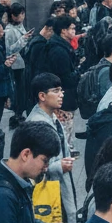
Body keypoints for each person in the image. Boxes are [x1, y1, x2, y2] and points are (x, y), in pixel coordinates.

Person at [26, 72, 78, 223]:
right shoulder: (36, 123)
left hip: (59, 185)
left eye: (61, 90)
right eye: (56, 91)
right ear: (42, 96)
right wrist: (58, 166)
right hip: (50, 189)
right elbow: (31, 163)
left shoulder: (52, 117)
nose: (61, 94)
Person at [45, 16, 80, 149]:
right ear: (63, 31)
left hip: (63, 95)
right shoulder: (59, 50)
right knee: (64, 129)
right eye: (72, 28)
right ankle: (65, 152)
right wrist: (78, 73)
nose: (74, 31)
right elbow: (66, 78)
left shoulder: (60, 46)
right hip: (63, 97)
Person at [4, 2, 32, 126]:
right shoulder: (9, 30)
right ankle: (17, 113)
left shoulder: (20, 26)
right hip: (15, 64)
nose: (23, 16)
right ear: (14, 16)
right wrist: (24, 39)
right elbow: (10, 49)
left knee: (22, 89)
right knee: (18, 90)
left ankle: (20, 112)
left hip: (22, 62)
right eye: (21, 14)